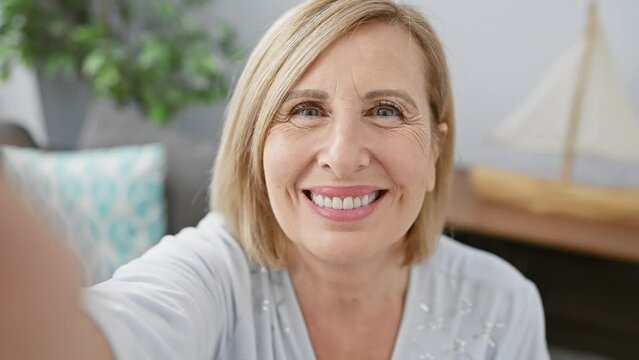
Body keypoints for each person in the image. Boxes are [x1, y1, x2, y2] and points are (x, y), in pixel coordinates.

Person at [0, 0, 550, 359]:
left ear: (435, 148)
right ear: (255, 145)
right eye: (306, 110)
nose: (342, 156)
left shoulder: (503, 305)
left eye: (385, 111)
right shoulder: (212, 275)